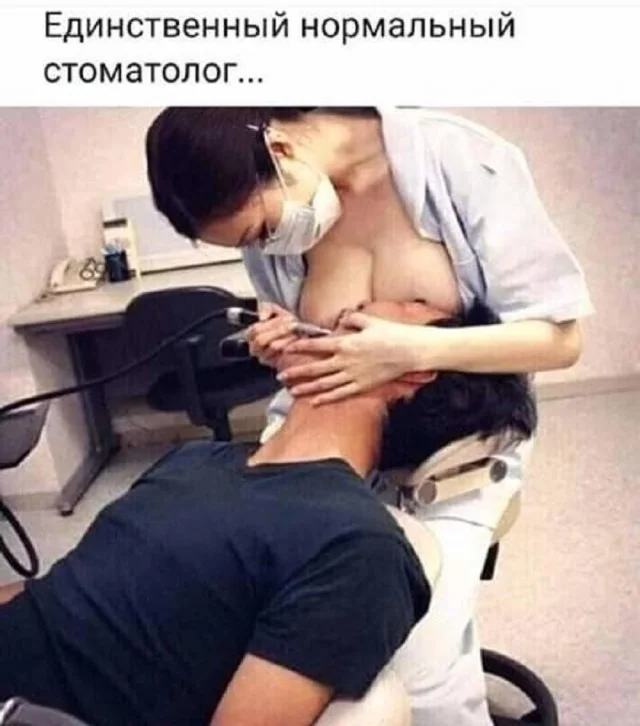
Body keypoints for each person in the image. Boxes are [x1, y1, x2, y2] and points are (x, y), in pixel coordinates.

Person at [146, 106, 593, 725]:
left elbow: (562, 341)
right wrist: (285, 342)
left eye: (261, 229)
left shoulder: (464, 163)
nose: (265, 248)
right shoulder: (282, 227)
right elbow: (317, 344)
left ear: (280, 149)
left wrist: (414, 349)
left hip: (452, 450)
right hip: (329, 439)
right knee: (251, 604)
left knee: (418, 656)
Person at [0, 301, 535, 726]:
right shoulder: (197, 459)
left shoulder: (357, 548)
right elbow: (58, 596)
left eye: (401, 306)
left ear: (413, 370)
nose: (346, 307)